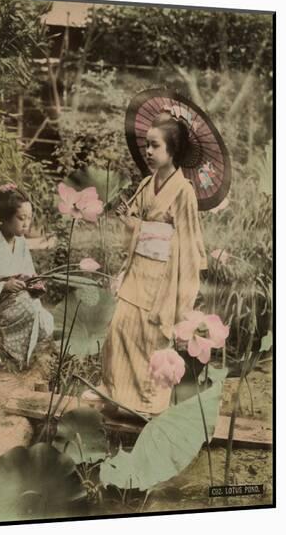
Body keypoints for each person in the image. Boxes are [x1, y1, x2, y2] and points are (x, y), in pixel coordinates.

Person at [85, 112, 208, 414]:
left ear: (172, 150)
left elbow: (189, 243)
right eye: (147, 146)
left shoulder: (184, 192)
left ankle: (148, 403)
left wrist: (184, 297)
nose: (148, 152)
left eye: (155, 146)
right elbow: (135, 220)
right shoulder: (146, 183)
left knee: (150, 339)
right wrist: (130, 221)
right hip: (139, 268)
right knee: (118, 329)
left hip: (164, 276)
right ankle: (112, 390)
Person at [0, 183, 54, 371]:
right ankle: (8, 356)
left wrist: (33, 282)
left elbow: (29, 272)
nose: (27, 223)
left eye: (29, 218)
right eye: (21, 218)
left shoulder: (21, 242)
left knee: (45, 318)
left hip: (20, 298)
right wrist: (4, 286)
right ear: (6, 218)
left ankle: (20, 358)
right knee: (32, 310)